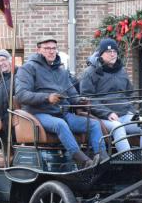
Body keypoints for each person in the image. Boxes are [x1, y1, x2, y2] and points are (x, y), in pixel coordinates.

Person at [15, 37, 105, 168]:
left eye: (54, 48)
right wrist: (47, 97)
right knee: (60, 125)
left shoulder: (61, 71)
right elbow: (21, 95)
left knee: (93, 124)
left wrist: (81, 101)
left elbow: (72, 95)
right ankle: (83, 160)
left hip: (62, 113)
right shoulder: (28, 68)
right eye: (47, 48)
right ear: (38, 50)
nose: (51, 52)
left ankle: (101, 157)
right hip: (39, 114)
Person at [80, 38, 142, 153]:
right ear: (101, 54)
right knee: (118, 127)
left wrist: (132, 111)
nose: (112, 54)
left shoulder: (122, 71)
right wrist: (107, 113)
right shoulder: (89, 72)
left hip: (125, 115)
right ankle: (128, 159)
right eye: (108, 52)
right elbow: (87, 99)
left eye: (115, 52)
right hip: (102, 118)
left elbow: (130, 95)